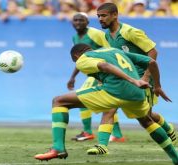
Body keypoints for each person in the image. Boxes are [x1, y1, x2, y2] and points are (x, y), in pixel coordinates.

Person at [34, 44, 178, 165]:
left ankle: (58, 148)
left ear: (76, 57)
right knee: (147, 120)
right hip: (137, 94)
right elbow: (151, 62)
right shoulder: (115, 50)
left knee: (58, 101)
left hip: (117, 90)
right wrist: (157, 86)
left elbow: (104, 65)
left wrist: (132, 80)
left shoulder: (82, 60)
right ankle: (175, 157)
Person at [87, 2, 177, 154]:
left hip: (142, 79)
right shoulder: (108, 36)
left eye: (103, 16)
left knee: (146, 116)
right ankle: (102, 145)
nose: (100, 19)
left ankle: (168, 129)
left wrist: (146, 77)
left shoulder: (130, 32)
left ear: (115, 15)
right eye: (98, 16)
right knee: (109, 107)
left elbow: (153, 52)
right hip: (127, 79)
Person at [68, 12, 125, 142]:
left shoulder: (94, 33)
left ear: (87, 22)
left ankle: (88, 132)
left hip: (104, 72)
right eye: (75, 20)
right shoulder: (75, 37)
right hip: (95, 74)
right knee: (108, 103)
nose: (78, 22)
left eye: (81, 20)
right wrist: (73, 77)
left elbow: (112, 47)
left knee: (82, 98)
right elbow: (80, 59)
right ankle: (117, 134)